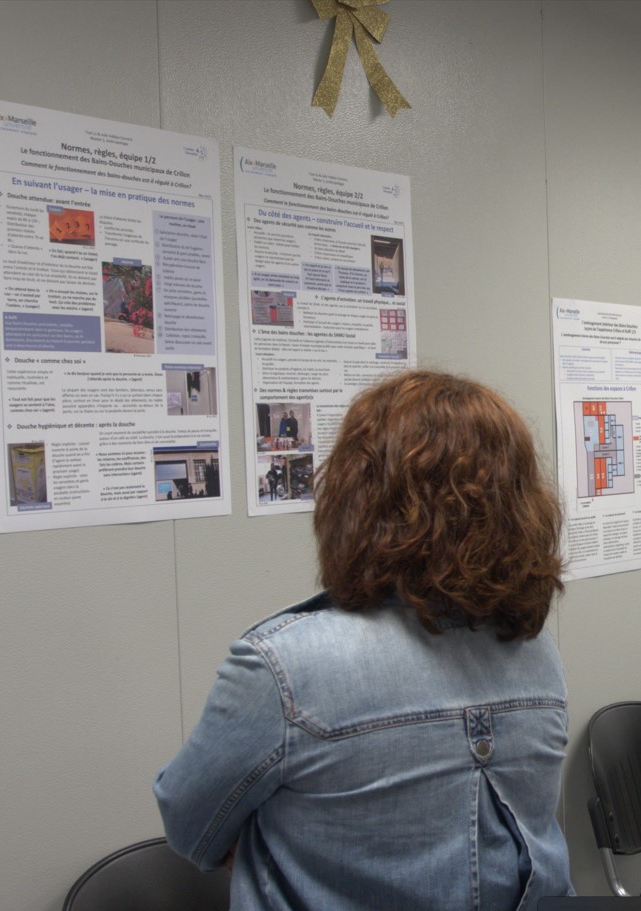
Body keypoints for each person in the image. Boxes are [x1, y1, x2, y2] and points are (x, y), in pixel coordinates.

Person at [155, 370, 574, 911]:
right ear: (518, 505)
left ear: (358, 495)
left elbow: (190, 827)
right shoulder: (534, 651)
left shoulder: (285, 669)